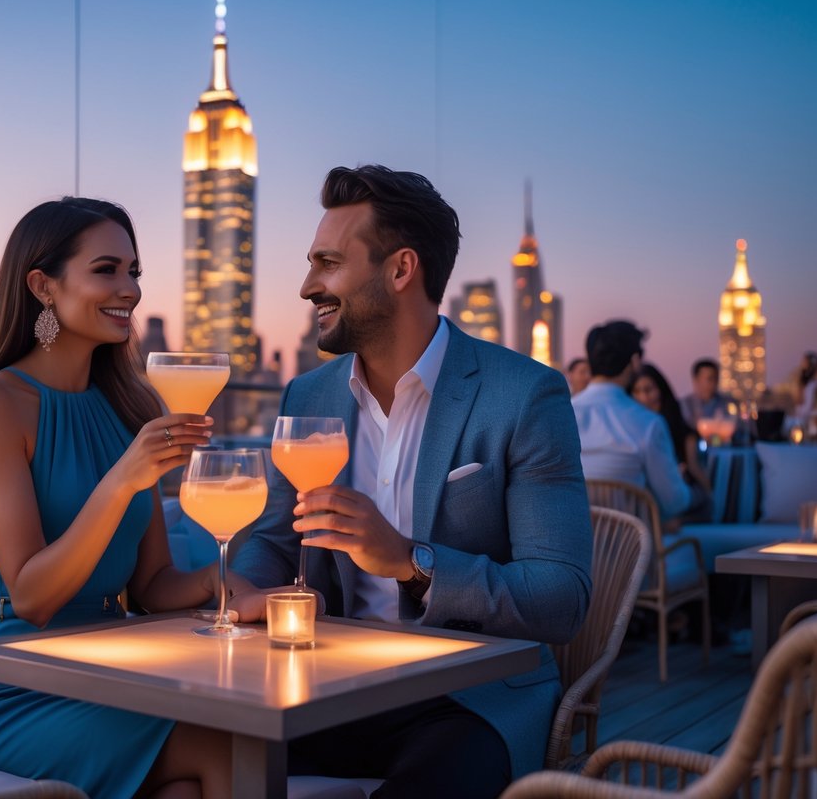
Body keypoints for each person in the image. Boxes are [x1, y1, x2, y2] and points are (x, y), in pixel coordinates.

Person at [231, 165, 593, 798]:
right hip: (324, 688)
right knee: (188, 758)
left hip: (464, 702)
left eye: (328, 263)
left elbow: (561, 599)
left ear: (401, 270)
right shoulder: (307, 393)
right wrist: (252, 589)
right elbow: (272, 540)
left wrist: (410, 562)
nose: (306, 286)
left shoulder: (524, 396)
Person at [0, 197, 233, 799]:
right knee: (227, 746)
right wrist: (123, 478)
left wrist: (222, 584)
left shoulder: (132, 408)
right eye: (106, 269)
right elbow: (32, 596)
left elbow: (153, 584)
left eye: (134, 271)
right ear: (42, 286)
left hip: (116, 671)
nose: (128, 289)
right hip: (22, 687)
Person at [572, 321, 694, 521]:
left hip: (571, 546)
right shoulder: (648, 423)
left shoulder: (562, 414)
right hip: (631, 549)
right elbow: (674, 502)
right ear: (635, 361)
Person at [629, 362, 711, 518]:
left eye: (649, 390)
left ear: (661, 390)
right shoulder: (633, 430)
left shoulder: (682, 433)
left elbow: (696, 475)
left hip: (679, 496)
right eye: (637, 391)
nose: (644, 398)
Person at [679, 358, 736, 429]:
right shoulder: (684, 405)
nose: (713, 383)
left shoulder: (728, 403)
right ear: (696, 380)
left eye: (716, 378)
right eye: (709, 379)